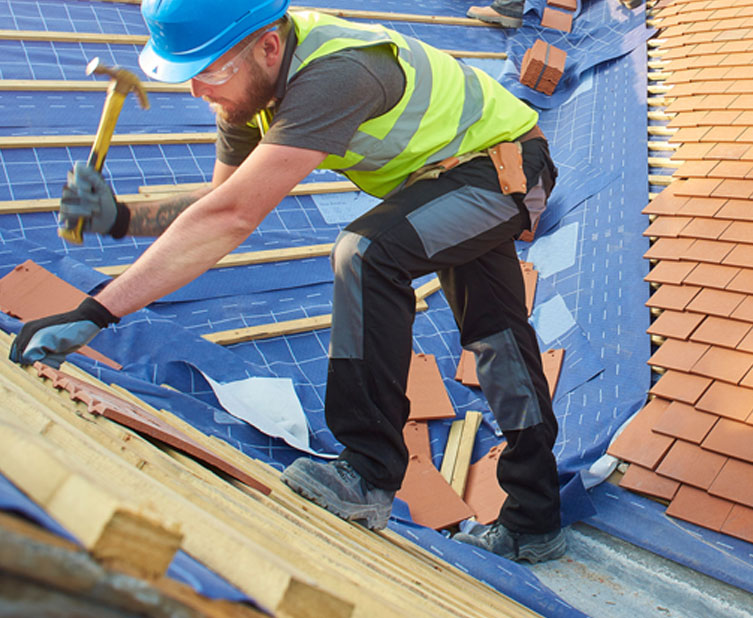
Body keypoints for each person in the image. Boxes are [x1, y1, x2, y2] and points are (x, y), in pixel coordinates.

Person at [10, 0, 565, 563]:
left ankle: (369, 472)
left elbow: (231, 219)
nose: (200, 92)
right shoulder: (245, 92)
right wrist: (122, 217)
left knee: (367, 253)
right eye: (188, 75)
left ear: (269, 47)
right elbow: (219, 203)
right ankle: (535, 520)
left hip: (502, 166)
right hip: (448, 175)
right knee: (498, 340)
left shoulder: (336, 75)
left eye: (208, 71)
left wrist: (96, 312)